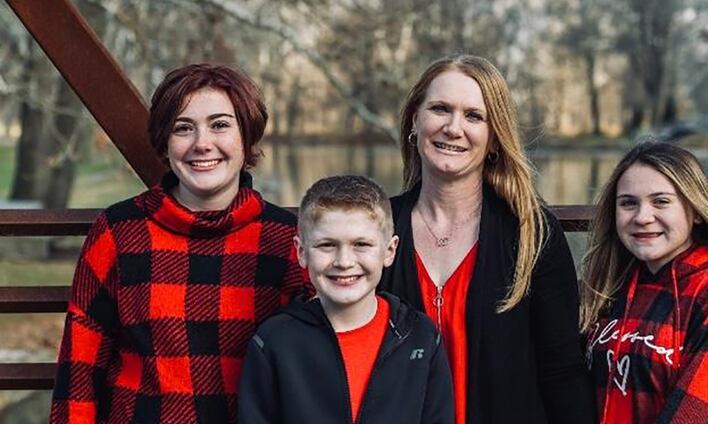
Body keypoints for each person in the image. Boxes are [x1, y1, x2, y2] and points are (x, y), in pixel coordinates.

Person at [50, 63, 310, 424]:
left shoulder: (286, 239)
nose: (202, 143)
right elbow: (80, 370)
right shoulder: (119, 232)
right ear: (165, 141)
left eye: (220, 125)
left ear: (246, 136)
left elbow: (319, 367)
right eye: (183, 128)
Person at [378, 54, 596, 423]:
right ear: (415, 120)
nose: (453, 127)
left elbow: (562, 373)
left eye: (473, 116)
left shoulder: (531, 232)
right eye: (440, 109)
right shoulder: (377, 226)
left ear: (494, 138)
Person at [238, 175, 454, 424]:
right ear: (301, 251)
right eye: (327, 245)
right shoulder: (274, 342)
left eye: (361, 244)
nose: (344, 261)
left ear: (389, 251)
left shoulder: (420, 337)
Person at [580, 141, 708, 423]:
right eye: (628, 203)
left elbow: (695, 413)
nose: (642, 217)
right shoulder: (608, 286)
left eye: (661, 201)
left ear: (696, 212)